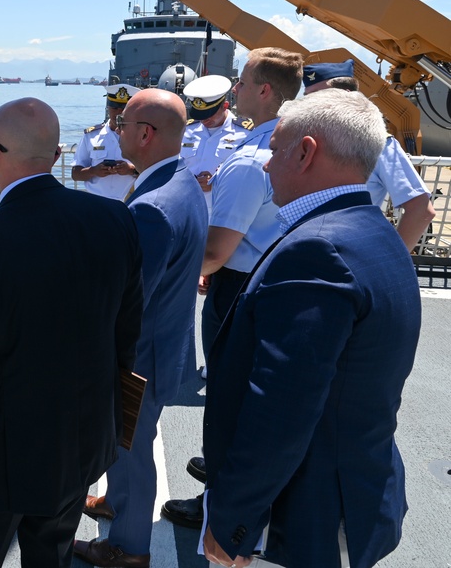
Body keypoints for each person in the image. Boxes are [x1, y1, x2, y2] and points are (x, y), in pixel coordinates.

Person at [202, 89, 421, 568]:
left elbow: (280, 405)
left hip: (301, 517)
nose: (264, 164)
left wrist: (233, 519)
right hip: (352, 489)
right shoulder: (373, 231)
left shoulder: (317, 248)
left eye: (274, 149)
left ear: (305, 152)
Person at [0, 97, 144, 568]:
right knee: (52, 557)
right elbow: (125, 338)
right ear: (58, 157)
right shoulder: (114, 221)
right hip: (79, 448)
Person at [161, 47, 305, 530]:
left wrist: (164, 274)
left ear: (264, 90)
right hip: (271, 281)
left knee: (226, 398)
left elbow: (216, 250)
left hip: (238, 288)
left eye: (241, 82)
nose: (235, 89)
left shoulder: (249, 160)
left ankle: (217, 505)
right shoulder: (291, 147)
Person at [74, 89, 208, 567]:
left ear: (145, 134)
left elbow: (130, 299)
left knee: (131, 450)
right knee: (127, 443)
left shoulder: (152, 206)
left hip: (139, 357)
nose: (116, 131)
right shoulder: (180, 182)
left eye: (123, 124)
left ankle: (128, 548)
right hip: (162, 345)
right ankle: (116, 503)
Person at [303, 60, 435, 251]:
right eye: (307, 98)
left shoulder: (378, 144)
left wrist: (392, 260)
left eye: (317, 97)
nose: (310, 105)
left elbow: (421, 208)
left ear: (347, 96)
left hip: (347, 256)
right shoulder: (302, 140)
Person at [180, 74, 252, 210]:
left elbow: (250, 177)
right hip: (187, 209)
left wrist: (217, 183)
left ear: (225, 106)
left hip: (222, 211)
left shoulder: (245, 133)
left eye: (210, 114)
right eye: (200, 115)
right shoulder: (187, 130)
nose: (204, 120)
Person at [71, 84, 141, 200]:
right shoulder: (91, 136)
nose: (119, 112)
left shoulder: (141, 137)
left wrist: (131, 170)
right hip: (96, 203)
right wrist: (94, 171)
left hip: (129, 202)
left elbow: (153, 171)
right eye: (114, 107)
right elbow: (75, 174)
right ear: (108, 108)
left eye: (123, 108)